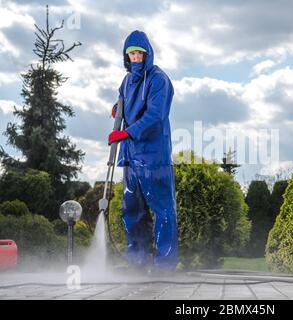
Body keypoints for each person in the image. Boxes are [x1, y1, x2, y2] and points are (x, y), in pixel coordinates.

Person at [108, 30, 178, 274]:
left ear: (147, 54)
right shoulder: (126, 81)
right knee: (132, 211)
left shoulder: (159, 79)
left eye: (139, 53)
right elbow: (123, 102)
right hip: (130, 157)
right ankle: (137, 262)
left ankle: (165, 265)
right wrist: (118, 109)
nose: (136, 57)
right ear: (126, 57)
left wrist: (127, 132)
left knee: (163, 211)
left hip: (153, 156)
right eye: (132, 54)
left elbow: (155, 116)